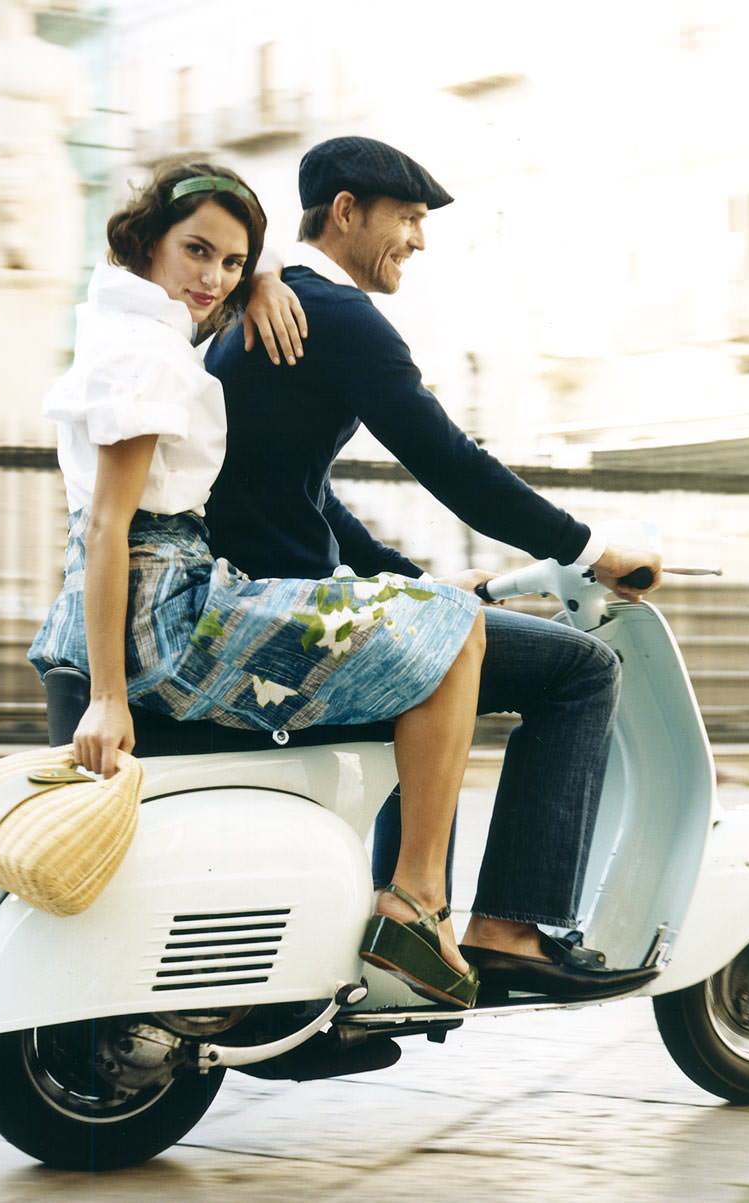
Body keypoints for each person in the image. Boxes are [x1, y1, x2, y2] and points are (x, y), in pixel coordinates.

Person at [204, 137, 663, 1001]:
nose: (419, 240)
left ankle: (403, 927)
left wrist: (409, 577)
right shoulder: (337, 318)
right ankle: (507, 926)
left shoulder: (274, 307)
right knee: (580, 670)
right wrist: (591, 549)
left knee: (436, 637)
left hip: (264, 588)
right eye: (409, 219)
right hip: (285, 607)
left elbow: (297, 493)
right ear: (346, 212)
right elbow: (450, 461)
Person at [28, 160, 489, 1008]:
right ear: (148, 242)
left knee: (430, 614)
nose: (213, 278)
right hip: (166, 620)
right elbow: (109, 526)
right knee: (453, 624)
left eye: (231, 262)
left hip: (150, 603)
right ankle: (417, 902)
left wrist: (265, 278)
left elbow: (208, 289)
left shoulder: (133, 326)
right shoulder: (150, 359)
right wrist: (107, 695)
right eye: (196, 251)